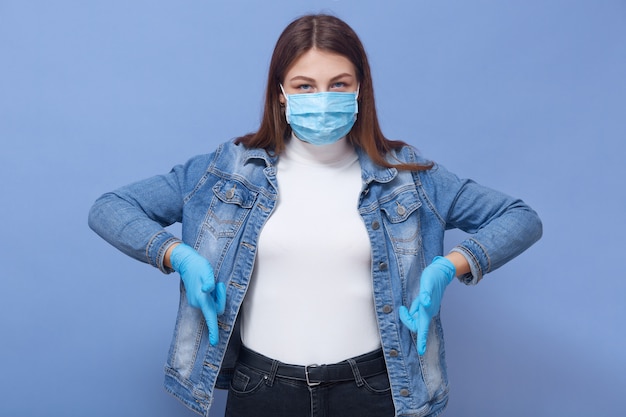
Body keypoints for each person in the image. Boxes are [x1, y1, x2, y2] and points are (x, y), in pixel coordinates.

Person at [88, 13, 542, 417]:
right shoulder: (227, 169)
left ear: (360, 88)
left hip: (375, 391)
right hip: (259, 389)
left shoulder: (408, 175)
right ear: (281, 92)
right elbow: (110, 209)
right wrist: (177, 256)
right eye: (305, 85)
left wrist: (450, 266)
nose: (322, 98)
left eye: (338, 84)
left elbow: (520, 218)